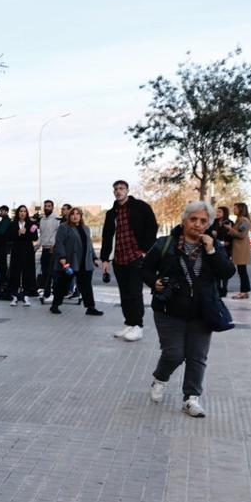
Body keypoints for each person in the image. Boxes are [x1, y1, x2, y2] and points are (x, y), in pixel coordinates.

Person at [141, 201, 235, 417]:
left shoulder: (214, 246)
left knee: (197, 356)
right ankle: (160, 378)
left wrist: (212, 251)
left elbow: (227, 272)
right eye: (193, 219)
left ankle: (191, 398)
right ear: (184, 221)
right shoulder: (165, 244)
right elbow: (144, 269)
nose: (198, 224)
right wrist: (153, 281)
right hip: (169, 309)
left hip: (202, 310)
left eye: (203, 221)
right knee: (174, 354)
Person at [100, 179, 158, 342]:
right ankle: (129, 323)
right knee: (124, 293)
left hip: (135, 257)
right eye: (116, 189)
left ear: (127, 190)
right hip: (119, 258)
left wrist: (145, 251)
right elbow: (106, 236)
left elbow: (152, 227)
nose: (118, 191)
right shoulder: (111, 213)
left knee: (134, 292)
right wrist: (105, 259)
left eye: (121, 188)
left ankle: (138, 326)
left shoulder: (140, 207)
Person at [49, 207, 102, 316]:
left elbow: (89, 245)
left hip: (84, 262)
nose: (75, 216)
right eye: (73, 214)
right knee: (63, 285)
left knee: (86, 286)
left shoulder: (85, 228)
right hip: (70, 262)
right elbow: (59, 243)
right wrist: (62, 257)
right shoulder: (64, 227)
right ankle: (55, 305)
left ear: (81, 216)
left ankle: (90, 308)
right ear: (69, 216)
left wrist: (94, 258)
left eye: (78, 214)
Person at [7, 205, 38, 305]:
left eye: (24, 211)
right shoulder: (13, 224)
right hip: (16, 252)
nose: (22, 213)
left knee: (27, 273)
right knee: (15, 273)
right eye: (20, 211)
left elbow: (35, 237)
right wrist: (18, 233)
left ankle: (26, 295)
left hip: (28, 252)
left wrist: (26, 233)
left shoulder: (31, 224)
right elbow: (9, 237)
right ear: (18, 213)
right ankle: (15, 296)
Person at [228, 202, 251, 299]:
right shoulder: (239, 220)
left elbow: (241, 235)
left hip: (241, 250)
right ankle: (244, 291)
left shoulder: (244, 221)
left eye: (235, 208)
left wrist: (230, 229)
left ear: (241, 209)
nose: (234, 210)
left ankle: (244, 292)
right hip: (238, 249)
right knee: (241, 271)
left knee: (242, 271)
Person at [37, 200, 60, 303]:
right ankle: (47, 294)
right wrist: (37, 246)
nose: (47, 208)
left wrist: (54, 245)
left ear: (52, 207)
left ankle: (55, 295)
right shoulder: (42, 220)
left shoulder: (56, 219)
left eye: (49, 206)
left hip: (52, 250)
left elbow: (59, 234)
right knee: (45, 273)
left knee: (53, 273)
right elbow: (42, 235)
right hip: (44, 249)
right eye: (45, 206)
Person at [211, 206, 234, 297]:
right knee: (216, 267)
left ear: (224, 213)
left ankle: (224, 289)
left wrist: (226, 242)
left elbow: (232, 236)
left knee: (224, 267)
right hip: (216, 247)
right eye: (217, 212)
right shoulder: (214, 222)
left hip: (226, 248)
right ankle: (217, 289)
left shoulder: (229, 222)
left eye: (220, 212)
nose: (218, 213)